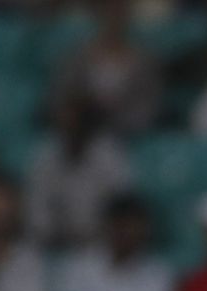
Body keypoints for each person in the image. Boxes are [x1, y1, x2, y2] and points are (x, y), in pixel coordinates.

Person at [25, 94, 132, 250]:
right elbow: (36, 209)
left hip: (100, 244)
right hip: (55, 245)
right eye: (64, 125)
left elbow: (123, 206)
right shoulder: (46, 155)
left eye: (75, 123)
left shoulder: (110, 155)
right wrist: (48, 235)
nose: (69, 129)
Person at [50, 0, 163, 136]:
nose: (113, 18)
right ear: (99, 16)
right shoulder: (79, 57)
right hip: (83, 132)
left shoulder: (144, 60)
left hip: (124, 135)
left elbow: (147, 106)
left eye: (118, 13)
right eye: (109, 12)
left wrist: (113, 116)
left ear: (126, 17)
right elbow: (64, 96)